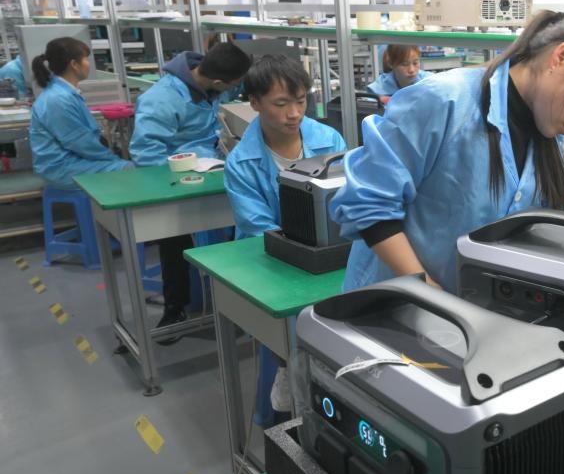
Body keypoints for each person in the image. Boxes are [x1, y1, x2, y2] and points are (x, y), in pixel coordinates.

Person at [331, 10, 564, 293]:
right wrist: (426, 290)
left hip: (463, 317)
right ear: (560, 57)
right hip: (390, 309)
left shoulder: (547, 140)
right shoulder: (444, 102)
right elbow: (367, 202)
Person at [225, 54, 346, 421]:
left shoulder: (328, 139)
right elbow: (258, 228)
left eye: (301, 101)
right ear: (255, 103)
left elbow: (347, 198)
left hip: (331, 253)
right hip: (274, 263)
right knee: (294, 331)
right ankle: (289, 381)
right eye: (281, 104)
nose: (294, 113)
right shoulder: (241, 163)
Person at [130, 41, 252, 342]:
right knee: (174, 235)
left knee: (243, 225)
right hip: (177, 179)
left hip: (215, 170)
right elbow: (146, 154)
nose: (234, 90)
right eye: (233, 86)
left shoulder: (211, 82)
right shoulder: (161, 100)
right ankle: (175, 308)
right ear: (219, 82)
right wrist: (186, 169)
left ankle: (240, 301)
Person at [29, 37, 131, 188]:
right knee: (131, 170)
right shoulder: (58, 99)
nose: (89, 64)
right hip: (62, 168)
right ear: (74, 64)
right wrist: (112, 159)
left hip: (73, 160)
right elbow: (80, 142)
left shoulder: (65, 93)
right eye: (86, 59)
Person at [365, 44, 431, 100]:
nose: (411, 70)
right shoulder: (379, 88)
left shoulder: (430, 81)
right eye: (404, 64)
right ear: (391, 64)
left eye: (415, 63)